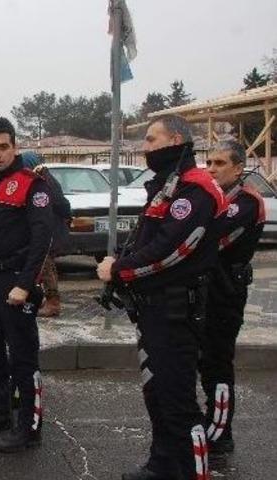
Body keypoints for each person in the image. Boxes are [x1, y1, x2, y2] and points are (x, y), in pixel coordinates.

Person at [97, 115, 226, 480]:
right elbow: (147, 238)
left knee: (179, 404)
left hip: (176, 313)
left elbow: (170, 251)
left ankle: (191, 472)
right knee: (158, 397)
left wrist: (119, 270)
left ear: (175, 139)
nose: (145, 147)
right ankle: (163, 465)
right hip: (153, 311)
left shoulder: (196, 190)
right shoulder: (169, 185)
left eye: (152, 140)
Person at [0, 117, 53, 454]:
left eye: (4, 147)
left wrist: (25, 283)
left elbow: (42, 239)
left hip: (16, 282)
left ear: (15, 147)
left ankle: (29, 426)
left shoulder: (33, 184)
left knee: (22, 356)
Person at [200, 140, 265, 457]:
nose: (211, 169)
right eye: (209, 163)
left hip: (226, 292)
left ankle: (220, 432)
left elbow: (209, 235)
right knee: (204, 360)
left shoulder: (246, 201)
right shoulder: (222, 197)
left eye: (219, 163)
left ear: (239, 168)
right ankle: (211, 419)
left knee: (217, 363)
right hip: (209, 289)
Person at [21, 151, 72, 317]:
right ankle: (47, 298)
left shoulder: (46, 181)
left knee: (45, 266)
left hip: (52, 230)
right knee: (46, 265)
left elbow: (62, 205)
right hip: (49, 229)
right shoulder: (42, 179)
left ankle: (53, 303)